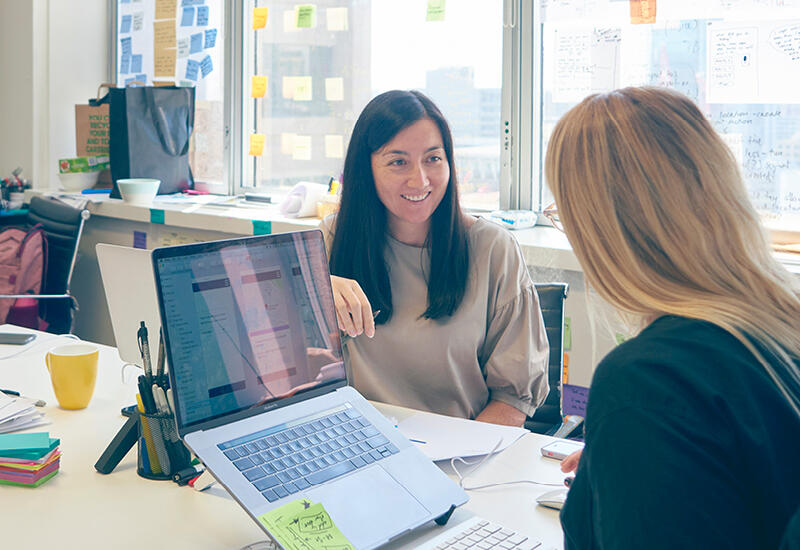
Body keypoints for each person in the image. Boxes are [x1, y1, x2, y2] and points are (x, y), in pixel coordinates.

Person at [545, 86, 800, 548]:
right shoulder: (778, 322)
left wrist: (639, 434)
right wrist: (631, 456)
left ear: (603, 229)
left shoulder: (650, 380)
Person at [321, 90, 549, 426]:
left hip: (461, 457)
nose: (421, 180)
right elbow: (288, 369)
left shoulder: (493, 250)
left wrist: (453, 467)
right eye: (398, 162)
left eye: (433, 159)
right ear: (365, 169)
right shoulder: (332, 238)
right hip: (355, 447)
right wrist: (316, 294)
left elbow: (512, 399)